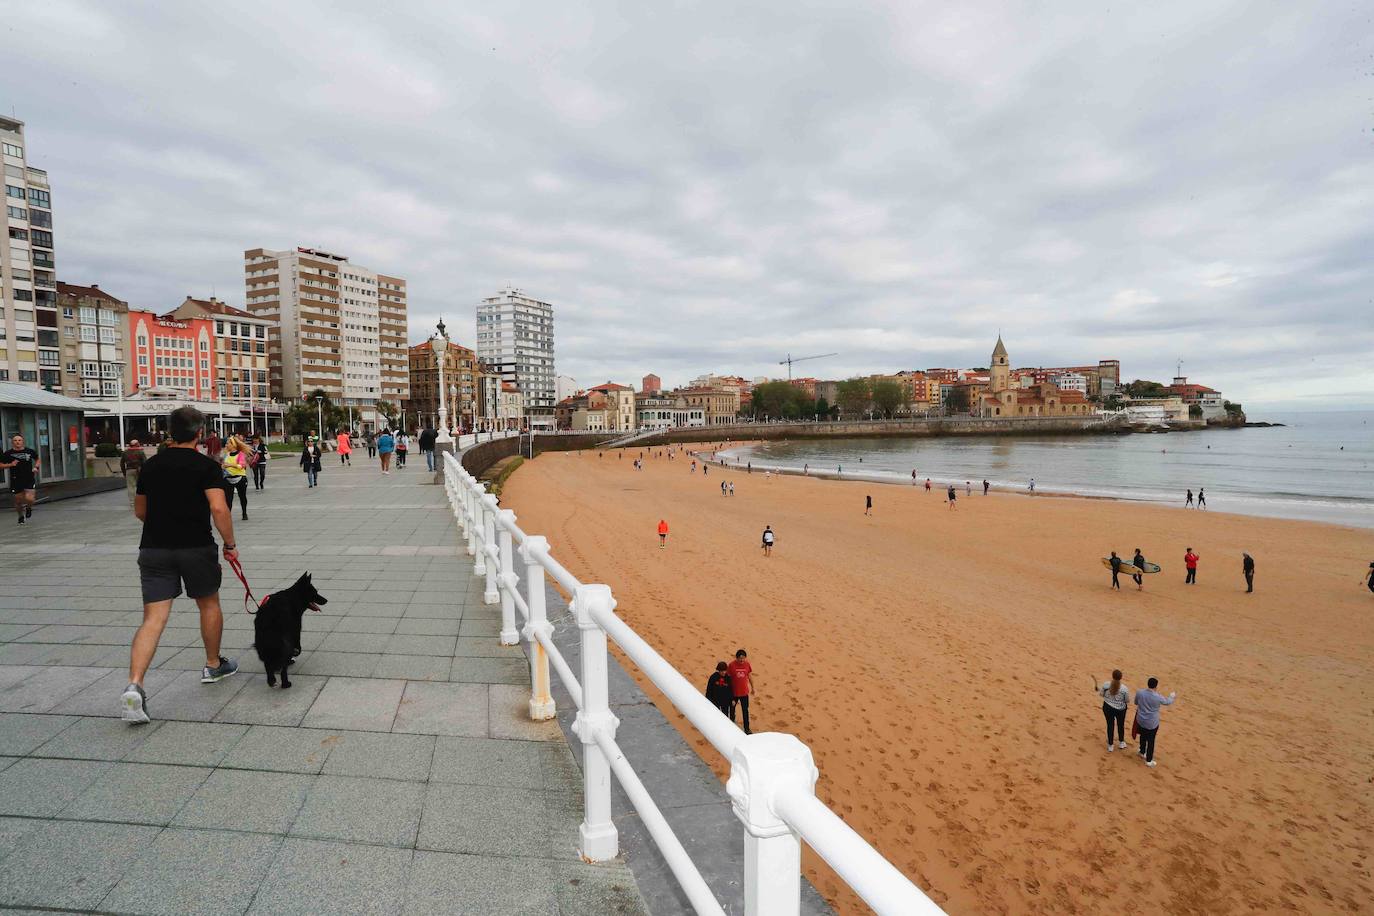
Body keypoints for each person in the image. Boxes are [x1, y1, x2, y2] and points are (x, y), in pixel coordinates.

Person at [121, 406, 239, 724]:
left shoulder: (152, 466)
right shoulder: (206, 466)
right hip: (195, 547)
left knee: (153, 619)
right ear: (200, 433)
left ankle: (135, 684)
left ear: (171, 432)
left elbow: (140, 511)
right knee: (208, 604)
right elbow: (219, 508)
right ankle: (213, 664)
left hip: (154, 549)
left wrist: (163, 522)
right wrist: (229, 545)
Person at [1134, 677, 1177, 767]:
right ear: (1156, 686)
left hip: (1141, 720)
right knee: (1151, 741)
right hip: (1151, 723)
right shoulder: (1157, 697)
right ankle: (1149, 760)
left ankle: (1142, 751)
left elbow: (1136, 702)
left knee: (1143, 735)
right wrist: (1172, 696)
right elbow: (1167, 702)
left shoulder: (1140, 692)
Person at [0, 434, 40, 525]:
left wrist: (36, 467)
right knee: (18, 501)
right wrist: (11, 465)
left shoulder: (29, 451)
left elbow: (37, 459)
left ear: (22, 441)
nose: (17, 442)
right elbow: (1, 465)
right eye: (15, 440)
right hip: (16, 479)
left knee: (30, 499)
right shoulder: (8, 453)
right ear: (12, 442)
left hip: (29, 478)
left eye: (19, 440)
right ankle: (20, 516)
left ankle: (29, 508)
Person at [1096, 669, 1131, 752]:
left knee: (1110, 725)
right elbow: (1127, 701)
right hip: (1120, 709)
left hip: (1108, 708)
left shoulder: (1106, 684)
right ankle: (1121, 742)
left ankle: (1110, 745)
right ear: (1121, 677)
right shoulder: (1124, 689)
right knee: (1120, 725)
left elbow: (1101, 694)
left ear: (1112, 676)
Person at [222, 436, 251, 520]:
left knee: (242, 497)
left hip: (240, 478)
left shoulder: (240, 454)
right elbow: (223, 465)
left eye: (228, 443)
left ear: (233, 445)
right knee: (228, 499)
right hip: (228, 478)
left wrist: (229, 465)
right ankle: (228, 516)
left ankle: (244, 513)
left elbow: (241, 465)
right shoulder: (226, 455)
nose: (226, 445)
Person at [728, 649, 755, 734]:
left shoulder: (747, 664)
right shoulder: (731, 665)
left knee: (745, 711)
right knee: (732, 709)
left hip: (744, 693)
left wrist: (753, 688)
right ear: (736, 658)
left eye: (743, 658)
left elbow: (749, 676)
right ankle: (731, 725)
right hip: (734, 693)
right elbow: (728, 678)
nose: (742, 660)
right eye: (740, 658)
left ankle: (747, 729)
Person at [120, 439, 147, 509]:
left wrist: (124, 472)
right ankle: (140, 501)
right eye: (138, 443)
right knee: (140, 486)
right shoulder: (140, 452)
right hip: (139, 470)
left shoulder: (125, 452)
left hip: (129, 470)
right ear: (136, 444)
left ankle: (132, 502)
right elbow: (145, 462)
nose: (139, 444)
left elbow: (122, 463)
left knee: (130, 486)